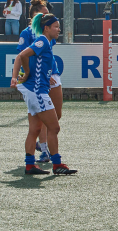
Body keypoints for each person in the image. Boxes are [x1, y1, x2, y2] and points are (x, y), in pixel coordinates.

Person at [10, 13, 77, 175]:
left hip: (36, 90)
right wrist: (24, 74)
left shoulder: (45, 41)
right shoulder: (42, 41)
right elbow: (22, 55)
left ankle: (30, 165)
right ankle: (57, 165)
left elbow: (34, 61)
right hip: (37, 92)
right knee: (54, 127)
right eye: (56, 27)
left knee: (34, 129)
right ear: (46, 28)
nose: (59, 29)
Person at [18, 0, 62, 163]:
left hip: (51, 75)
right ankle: (45, 151)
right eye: (43, 14)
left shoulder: (47, 35)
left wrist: (48, 72)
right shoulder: (29, 33)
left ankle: (42, 149)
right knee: (47, 122)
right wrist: (28, 74)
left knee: (56, 115)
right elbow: (23, 56)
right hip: (38, 82)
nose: (46, 16)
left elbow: (45, 57)